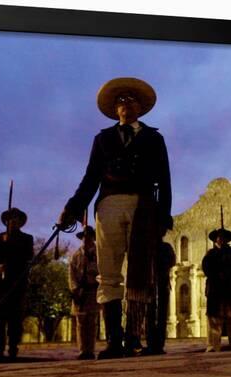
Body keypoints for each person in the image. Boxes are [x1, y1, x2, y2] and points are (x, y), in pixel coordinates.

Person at [57, 77, 172, 359]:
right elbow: (90, 178)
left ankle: (133, 337)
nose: (126, 104)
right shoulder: (102, 139)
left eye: (131, 99)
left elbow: (165, 181)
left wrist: (163, 216)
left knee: (139, 274)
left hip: (143, 205)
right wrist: (72, 208)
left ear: (140, 107)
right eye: (120, 100)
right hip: (108, 204)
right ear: (115, 108)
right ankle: (114, 342)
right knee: (108, 272)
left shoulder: (154, 138)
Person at [0, 207, 34, 359]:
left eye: (16, 219)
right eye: (10, 219)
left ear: (20, 222)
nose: (12, 221)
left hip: (17, 284)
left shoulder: (27, 238)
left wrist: (11, 246)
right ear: (6, 221)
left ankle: (13, 348)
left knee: (15, 318)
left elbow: (27, 257)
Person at [201, 227, 231, 352]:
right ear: (216, 240)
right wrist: (218, 271)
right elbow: (207, 268)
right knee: (214, 321)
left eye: (223, 237)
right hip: (216, 291)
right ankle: (213, 345)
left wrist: (227, 266)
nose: (220, 239)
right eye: (218, 237)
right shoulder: (210, 254)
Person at [68, 225, 101, 359]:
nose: (86, 240)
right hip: (80, 291)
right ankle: (83, 350)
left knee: (92, 322)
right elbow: (71, 273)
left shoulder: (99, 254)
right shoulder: (75, 255)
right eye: (84, 237)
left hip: (93, 290)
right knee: (81, 322)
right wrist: (75, 289)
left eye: (89, 237)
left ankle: (90, 350)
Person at [145, 231, 176, 355]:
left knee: (158, 313)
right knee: (155, 313)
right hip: (155, 283)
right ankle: (155, 343)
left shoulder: (158, 248)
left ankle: (155, 343)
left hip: (160, 282)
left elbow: (172, 262)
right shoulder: (164, 247)